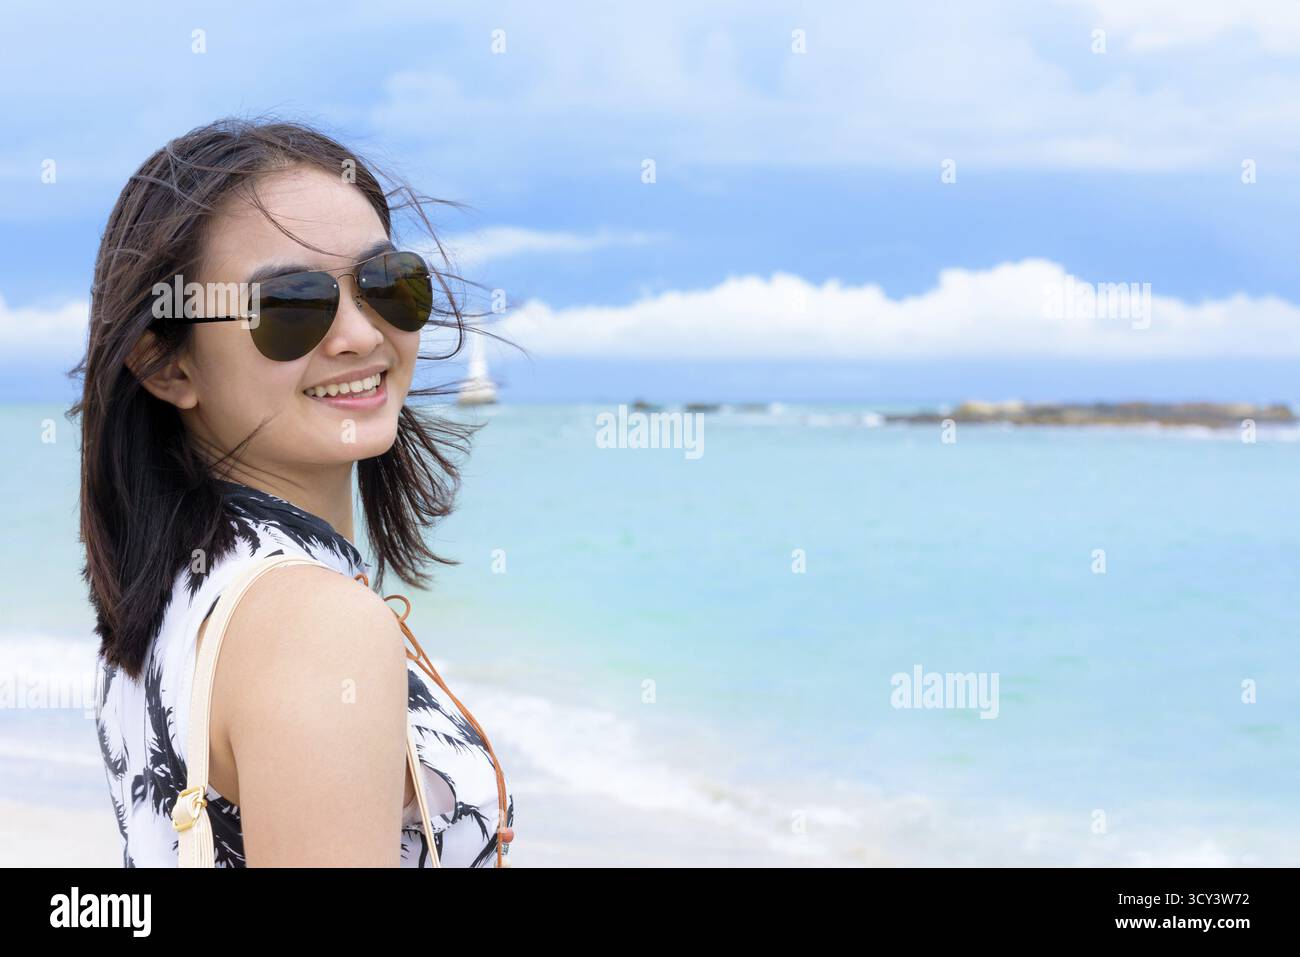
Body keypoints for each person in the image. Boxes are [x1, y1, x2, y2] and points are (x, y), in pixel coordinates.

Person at [71, 116, 514, 867]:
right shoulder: (315, 624)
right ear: (166, 366)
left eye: (388, 284)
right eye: (289, 306)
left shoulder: (166, 598)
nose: (362, 335)